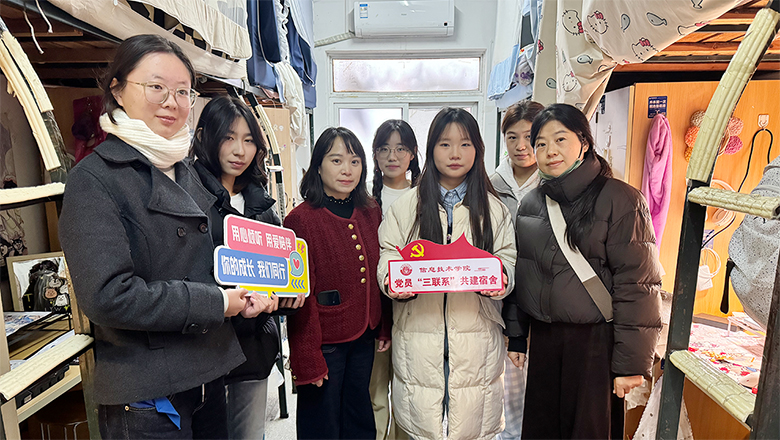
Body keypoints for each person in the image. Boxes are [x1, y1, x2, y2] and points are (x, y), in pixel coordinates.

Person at [59, 35, 264, 439]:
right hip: (148, 393)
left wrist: (248, 292)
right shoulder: (94, 180)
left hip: (208, 372)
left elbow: (208, 261)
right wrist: (217, 302)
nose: (172, 102)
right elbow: (108, 296)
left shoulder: (185, 169)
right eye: (156, 87)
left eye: (183, 91)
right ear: (118, 90)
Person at [505, 103, 662, 439]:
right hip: (544, 340)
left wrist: (631, 364)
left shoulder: (622, 200)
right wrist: (517, 336)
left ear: (584, 143)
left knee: (588, 432)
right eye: (541, 143)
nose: (550, 151)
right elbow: (525, 274)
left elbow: (638, 284)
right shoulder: (532, 204)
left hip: (595, 343)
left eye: (560, 139)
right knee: (542, 431)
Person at [377, 108, 516, 440]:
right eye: (445, 144)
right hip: (418, 334)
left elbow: (507, 257)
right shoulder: (406, 206)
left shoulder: (494, 209)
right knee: (421, 425)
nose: (455, 153)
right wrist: (390, 280)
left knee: (471, 424)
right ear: (430, 150)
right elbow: (388, 253)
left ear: (478, 149)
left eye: (465, 144)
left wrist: (503, 277)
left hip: (475, 338)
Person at [190, 96, 305, 439]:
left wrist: (285, 297)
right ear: (205, 137)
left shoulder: (262, 207)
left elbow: (281, 275)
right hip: (205, 349)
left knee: (251, 434)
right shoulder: (189, 198)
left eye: (249, 139)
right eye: (228, 137)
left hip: (253, 348)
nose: (240, 150)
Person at [283, 127, 389, 439]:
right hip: (324, 341)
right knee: (322, 421)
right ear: (318, 166)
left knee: (359, 414)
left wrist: (384, 326)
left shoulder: (371, 211)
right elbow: (301, 296)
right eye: (337, 160)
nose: (347, 170)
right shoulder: (300, 219)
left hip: (365, 333)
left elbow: (379, 273)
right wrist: (306, 359)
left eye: (355, 161)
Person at [489, 100, 544, 440]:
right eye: (512, 137)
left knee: (541, 385)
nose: (521, 146)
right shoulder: (490, 185)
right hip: (501, 297)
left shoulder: (554, 183)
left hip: (544, 299)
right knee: (507, 384)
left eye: (529, 136)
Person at [367, 119, 420, 440]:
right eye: (384, 148)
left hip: (415, 310)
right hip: (374, 310)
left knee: (408, 393)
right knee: (375, 392)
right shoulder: (363, 200)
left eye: (401, 148)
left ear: (413, 154)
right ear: (374, 155)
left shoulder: (425, 199)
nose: (392, 156)